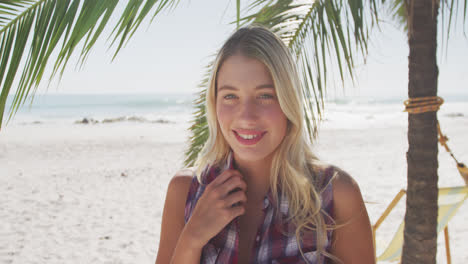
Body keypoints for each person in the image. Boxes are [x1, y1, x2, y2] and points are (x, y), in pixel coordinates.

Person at [155, 25, 374, 264]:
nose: (246, 116)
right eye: (230, 96)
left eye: (265, 95)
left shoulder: (335, 195)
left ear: (288, 100)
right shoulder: (186, 191)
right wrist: (192, 239)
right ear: (214, 102)